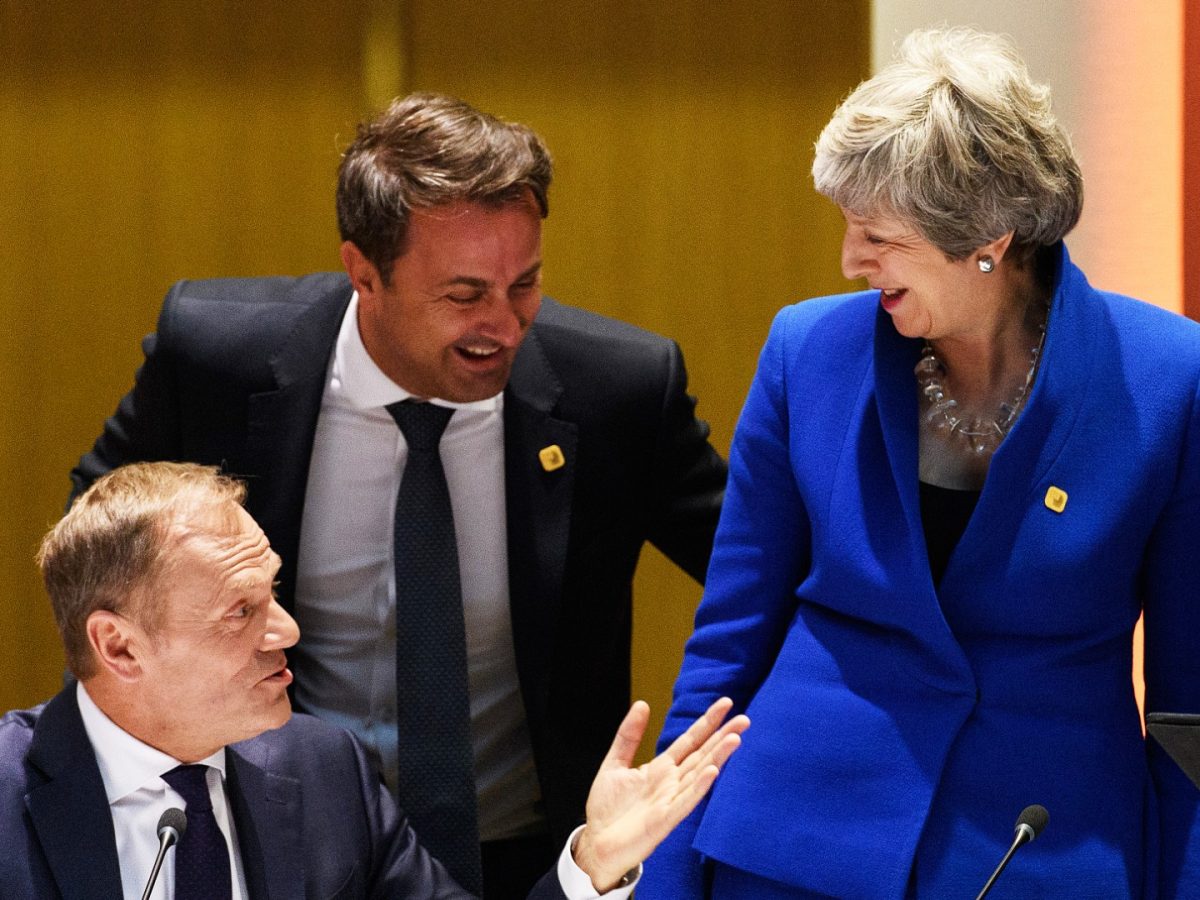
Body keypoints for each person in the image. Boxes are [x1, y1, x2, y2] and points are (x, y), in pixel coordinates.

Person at [68, 93, 727, 896]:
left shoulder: (618, 391)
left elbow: (756, 578)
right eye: (464, 294)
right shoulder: (215, 357)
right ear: (363, 272)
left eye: (525, 283)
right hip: (273, 842)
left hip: (532, 854)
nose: (506, 325)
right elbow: (95, 553)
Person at [639, 27, 1200, 898]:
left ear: (990, 237)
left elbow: (1186, 707)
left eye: (878, 236)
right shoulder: (807, 351)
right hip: (792, 847)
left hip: (1037, 852)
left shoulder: (1169, 379)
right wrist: (667, 878)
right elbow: (728, 647)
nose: (850, 262)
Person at [2, 462, 748, 899]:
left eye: (275, 592)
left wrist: (592, 865)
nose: (286, 631)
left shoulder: (324, 773)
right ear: (120, 648)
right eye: (241, 611)